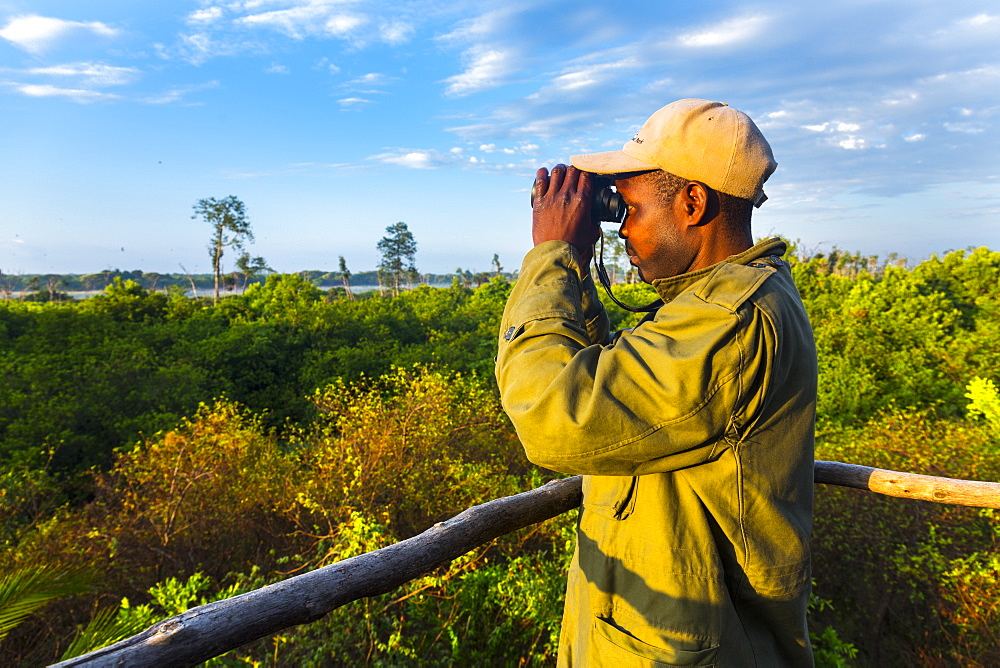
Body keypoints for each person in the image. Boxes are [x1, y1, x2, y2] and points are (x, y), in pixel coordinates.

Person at [495, 99, 817, 666]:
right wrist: (577, 265)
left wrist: (553, 253)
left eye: (631, 207)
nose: (622, 229)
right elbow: (612, 381)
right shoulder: (712, 306)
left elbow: (551, 412)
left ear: (693, 203)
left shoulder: (729, 322)